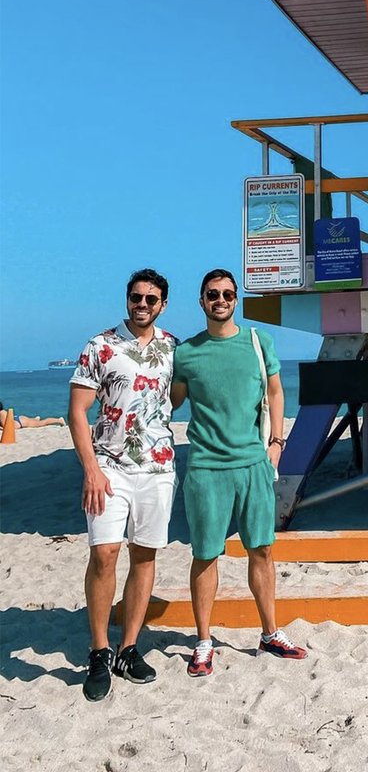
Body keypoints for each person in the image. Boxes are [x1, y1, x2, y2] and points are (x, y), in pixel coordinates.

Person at [171, 268, 305, 676]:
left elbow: (276, 391)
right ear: (201, 300)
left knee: (262, 550)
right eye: (213, 294)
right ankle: (204, 640)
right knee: (205, 554)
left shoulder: (258, 342)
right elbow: (169, 404)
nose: (221, 300)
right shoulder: (186, 353)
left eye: (228, 294)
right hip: (207, 467)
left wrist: (277, 445)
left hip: (253, 464)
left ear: (236, 300)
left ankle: (269, 633)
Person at [67, 269, 178, 702]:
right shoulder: (100, 346)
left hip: (158, 467)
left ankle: (129, 647)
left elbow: (179, 396)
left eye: (151, 299)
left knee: (145, 556)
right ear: (127, 299)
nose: (143, 305)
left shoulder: (172, 347)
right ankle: (99, 650)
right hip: (109, 467)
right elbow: (78, 412)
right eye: (137, 298)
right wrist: (91, 470)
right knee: (104, 554)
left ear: (163, 304)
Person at [0, 402, 65, 428]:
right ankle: (35, 419)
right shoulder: (2, 412)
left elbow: (7, 425)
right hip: (18, 419)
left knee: (42, 423)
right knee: (33, 421)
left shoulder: (1, 413)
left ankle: (59, 420)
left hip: (20, 422)